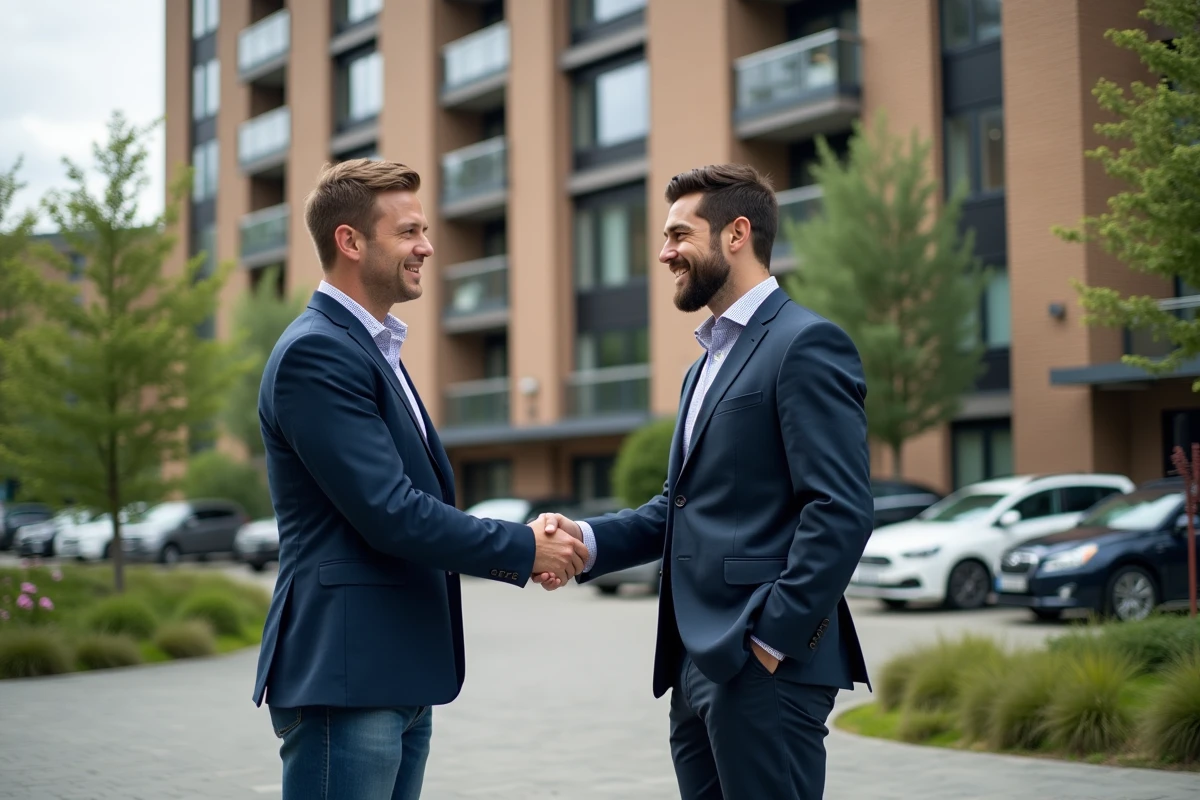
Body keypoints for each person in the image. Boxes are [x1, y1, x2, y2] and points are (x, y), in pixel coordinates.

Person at [252, 158, 588, 800]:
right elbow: (392, 512)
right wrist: (525, 548)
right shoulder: (317, 352)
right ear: (350, 241)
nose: (427, 247)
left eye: (425, 230)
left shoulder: (371, 348)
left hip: (393, 673)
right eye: (408, 232)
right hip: (348, 676)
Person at [535, 164, 874, 799]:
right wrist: (582, 538)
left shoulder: (806, 343)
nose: (665, 253)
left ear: (736, 234)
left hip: (761, 662)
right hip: (695, 664)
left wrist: (771, 640)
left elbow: (840, 509)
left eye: (678, 235)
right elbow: (682, 506)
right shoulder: (703, 367)